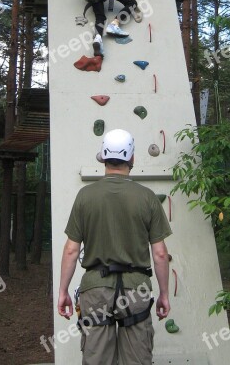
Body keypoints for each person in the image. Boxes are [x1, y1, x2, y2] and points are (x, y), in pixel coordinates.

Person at [58, 129, 171, 365]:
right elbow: (160, 254)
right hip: (136, 291)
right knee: (137, 359)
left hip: (96, 290)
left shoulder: (85, 196)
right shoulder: (147, 197)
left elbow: (71, 250)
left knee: (96, 358)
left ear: (103, 158)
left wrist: (63, 291)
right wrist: (164, 294)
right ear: (132, 158)